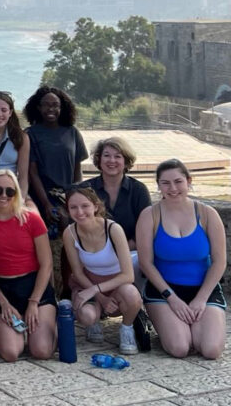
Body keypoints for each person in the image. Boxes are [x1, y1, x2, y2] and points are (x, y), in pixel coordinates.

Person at [136, 159, 226, 359]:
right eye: (165, 183)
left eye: (178, 181)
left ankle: (194, 324)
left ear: (188, 181)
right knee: (179, 348)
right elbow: (146, 263)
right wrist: (172, 298)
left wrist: (201, 299)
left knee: (211, 350)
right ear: (158, 185)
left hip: (203, 289)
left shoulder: (207, 214)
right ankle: (165, 323)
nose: (173, 188)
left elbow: (219, 261)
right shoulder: (150, 215)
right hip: (164, 291)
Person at [0, 169, 58, 362]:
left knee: (41, 351)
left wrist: (34, 302)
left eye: (10, 191)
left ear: (16, 194)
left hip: (34, 286)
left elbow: (46, 264)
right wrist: (3, 302)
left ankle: (52, 326)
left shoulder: (32, 219)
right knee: (11, 353)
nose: (4, 196)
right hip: (4, 289)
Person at [63, 187, 141, 354]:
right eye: (73, 207)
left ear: (95, 206)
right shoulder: (70, 233)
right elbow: (77, 272)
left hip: (116, 284)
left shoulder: (113, 229)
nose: (80, 212)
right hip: (88, 282)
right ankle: (94, 321)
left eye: (85, 206)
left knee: (132, 295)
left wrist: (95, 290)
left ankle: (127, 329)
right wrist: (99, 296)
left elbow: (128, 274)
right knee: (87, 315)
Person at [24, 85, 87, 236]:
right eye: (45, 105)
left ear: (62, 108)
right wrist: (46, 204)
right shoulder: (30, 134)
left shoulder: (72, 132)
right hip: (42, 197)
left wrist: (75, 196)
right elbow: (32, 173)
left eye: (55, 105)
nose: (50, 109)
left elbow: (77, 169)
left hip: (68, 196)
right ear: (38, 107)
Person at [78, 137, 150, 252]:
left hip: (131, 253)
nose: (112, 160)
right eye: (106, 155)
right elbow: (77, 228)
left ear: (126, 161)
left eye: (117, 156)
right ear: (99, 159)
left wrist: (121, 252)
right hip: (93, 254)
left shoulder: (138, 190)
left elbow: (146, 229)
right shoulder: (85, 189)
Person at [0, 90, 30, 198]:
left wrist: (20, 202)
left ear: (10, 113)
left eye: (4, 110)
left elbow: (23, 177)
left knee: (34, 214)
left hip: (12, 191)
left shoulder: (21, 138)